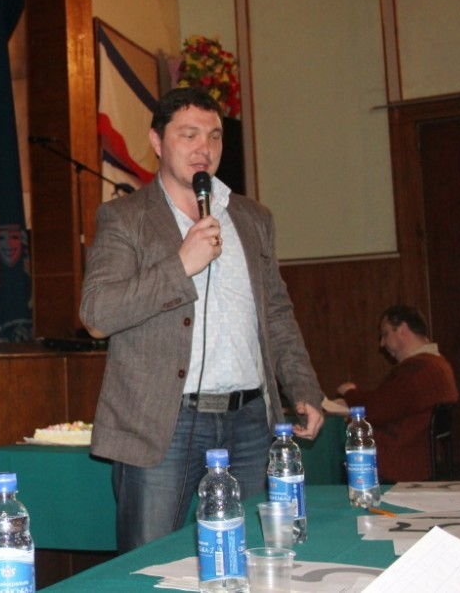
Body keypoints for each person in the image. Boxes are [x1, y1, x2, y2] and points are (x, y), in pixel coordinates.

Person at [79, 86, 325, 552]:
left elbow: (276, 312)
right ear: (157, 141)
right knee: (149, 565)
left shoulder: (252, 218)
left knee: (251, 555)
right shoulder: (124, 218)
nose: (204, 148)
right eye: (188, 134)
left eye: (213, 136)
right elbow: (97, 315)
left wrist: (303, 388)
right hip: (163, 424)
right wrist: (181, 264)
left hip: (250, 421)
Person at [336, 305, 458, 482]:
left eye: (385, 334)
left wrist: (349, 392)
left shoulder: (417, 369)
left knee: (337, 444)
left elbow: (375, 410)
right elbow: (390, 402)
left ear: (402, 329)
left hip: (399, 460)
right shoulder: (438, 365)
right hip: (419, 457)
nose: (382, 343)